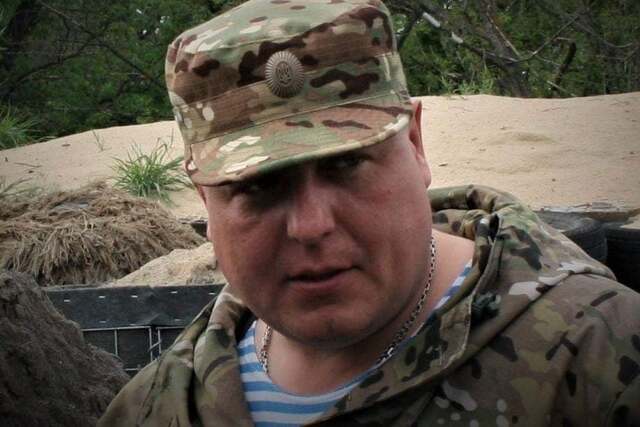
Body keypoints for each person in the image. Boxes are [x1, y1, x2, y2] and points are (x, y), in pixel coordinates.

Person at [99, 0, 640, 425]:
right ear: (204, 200)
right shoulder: (156, 408)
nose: (311, 225)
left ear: (416, 145)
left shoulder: (602, 357)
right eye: (258, 187)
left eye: (346, 164)